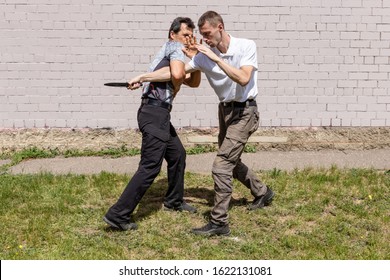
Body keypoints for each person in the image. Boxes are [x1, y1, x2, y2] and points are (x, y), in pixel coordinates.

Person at [129, 11, 275, 236]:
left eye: (207, 34)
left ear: (220, 27)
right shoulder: (202, 56)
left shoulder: (246, 46)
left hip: (246, 111)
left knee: (222, 165)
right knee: (231, 161)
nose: (204, 39)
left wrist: (215, 57)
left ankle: (219, 222)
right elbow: (174, 72)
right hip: (225, 111)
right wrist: (142, 77)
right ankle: (263, 192)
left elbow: (243, 78)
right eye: (202, 36)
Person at [103, 17, 201, 231]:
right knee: (150, 166)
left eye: (191, 36)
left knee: (177, 155)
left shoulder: (180, 53)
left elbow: (193, 82)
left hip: (158, 113)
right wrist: (148, 77)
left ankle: (174, 201)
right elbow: (177, 75)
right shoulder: (174, 47)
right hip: (154, 112)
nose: (188, 39)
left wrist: (196, 60)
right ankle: (118, 214)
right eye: (185, 34)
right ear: (172, 34)